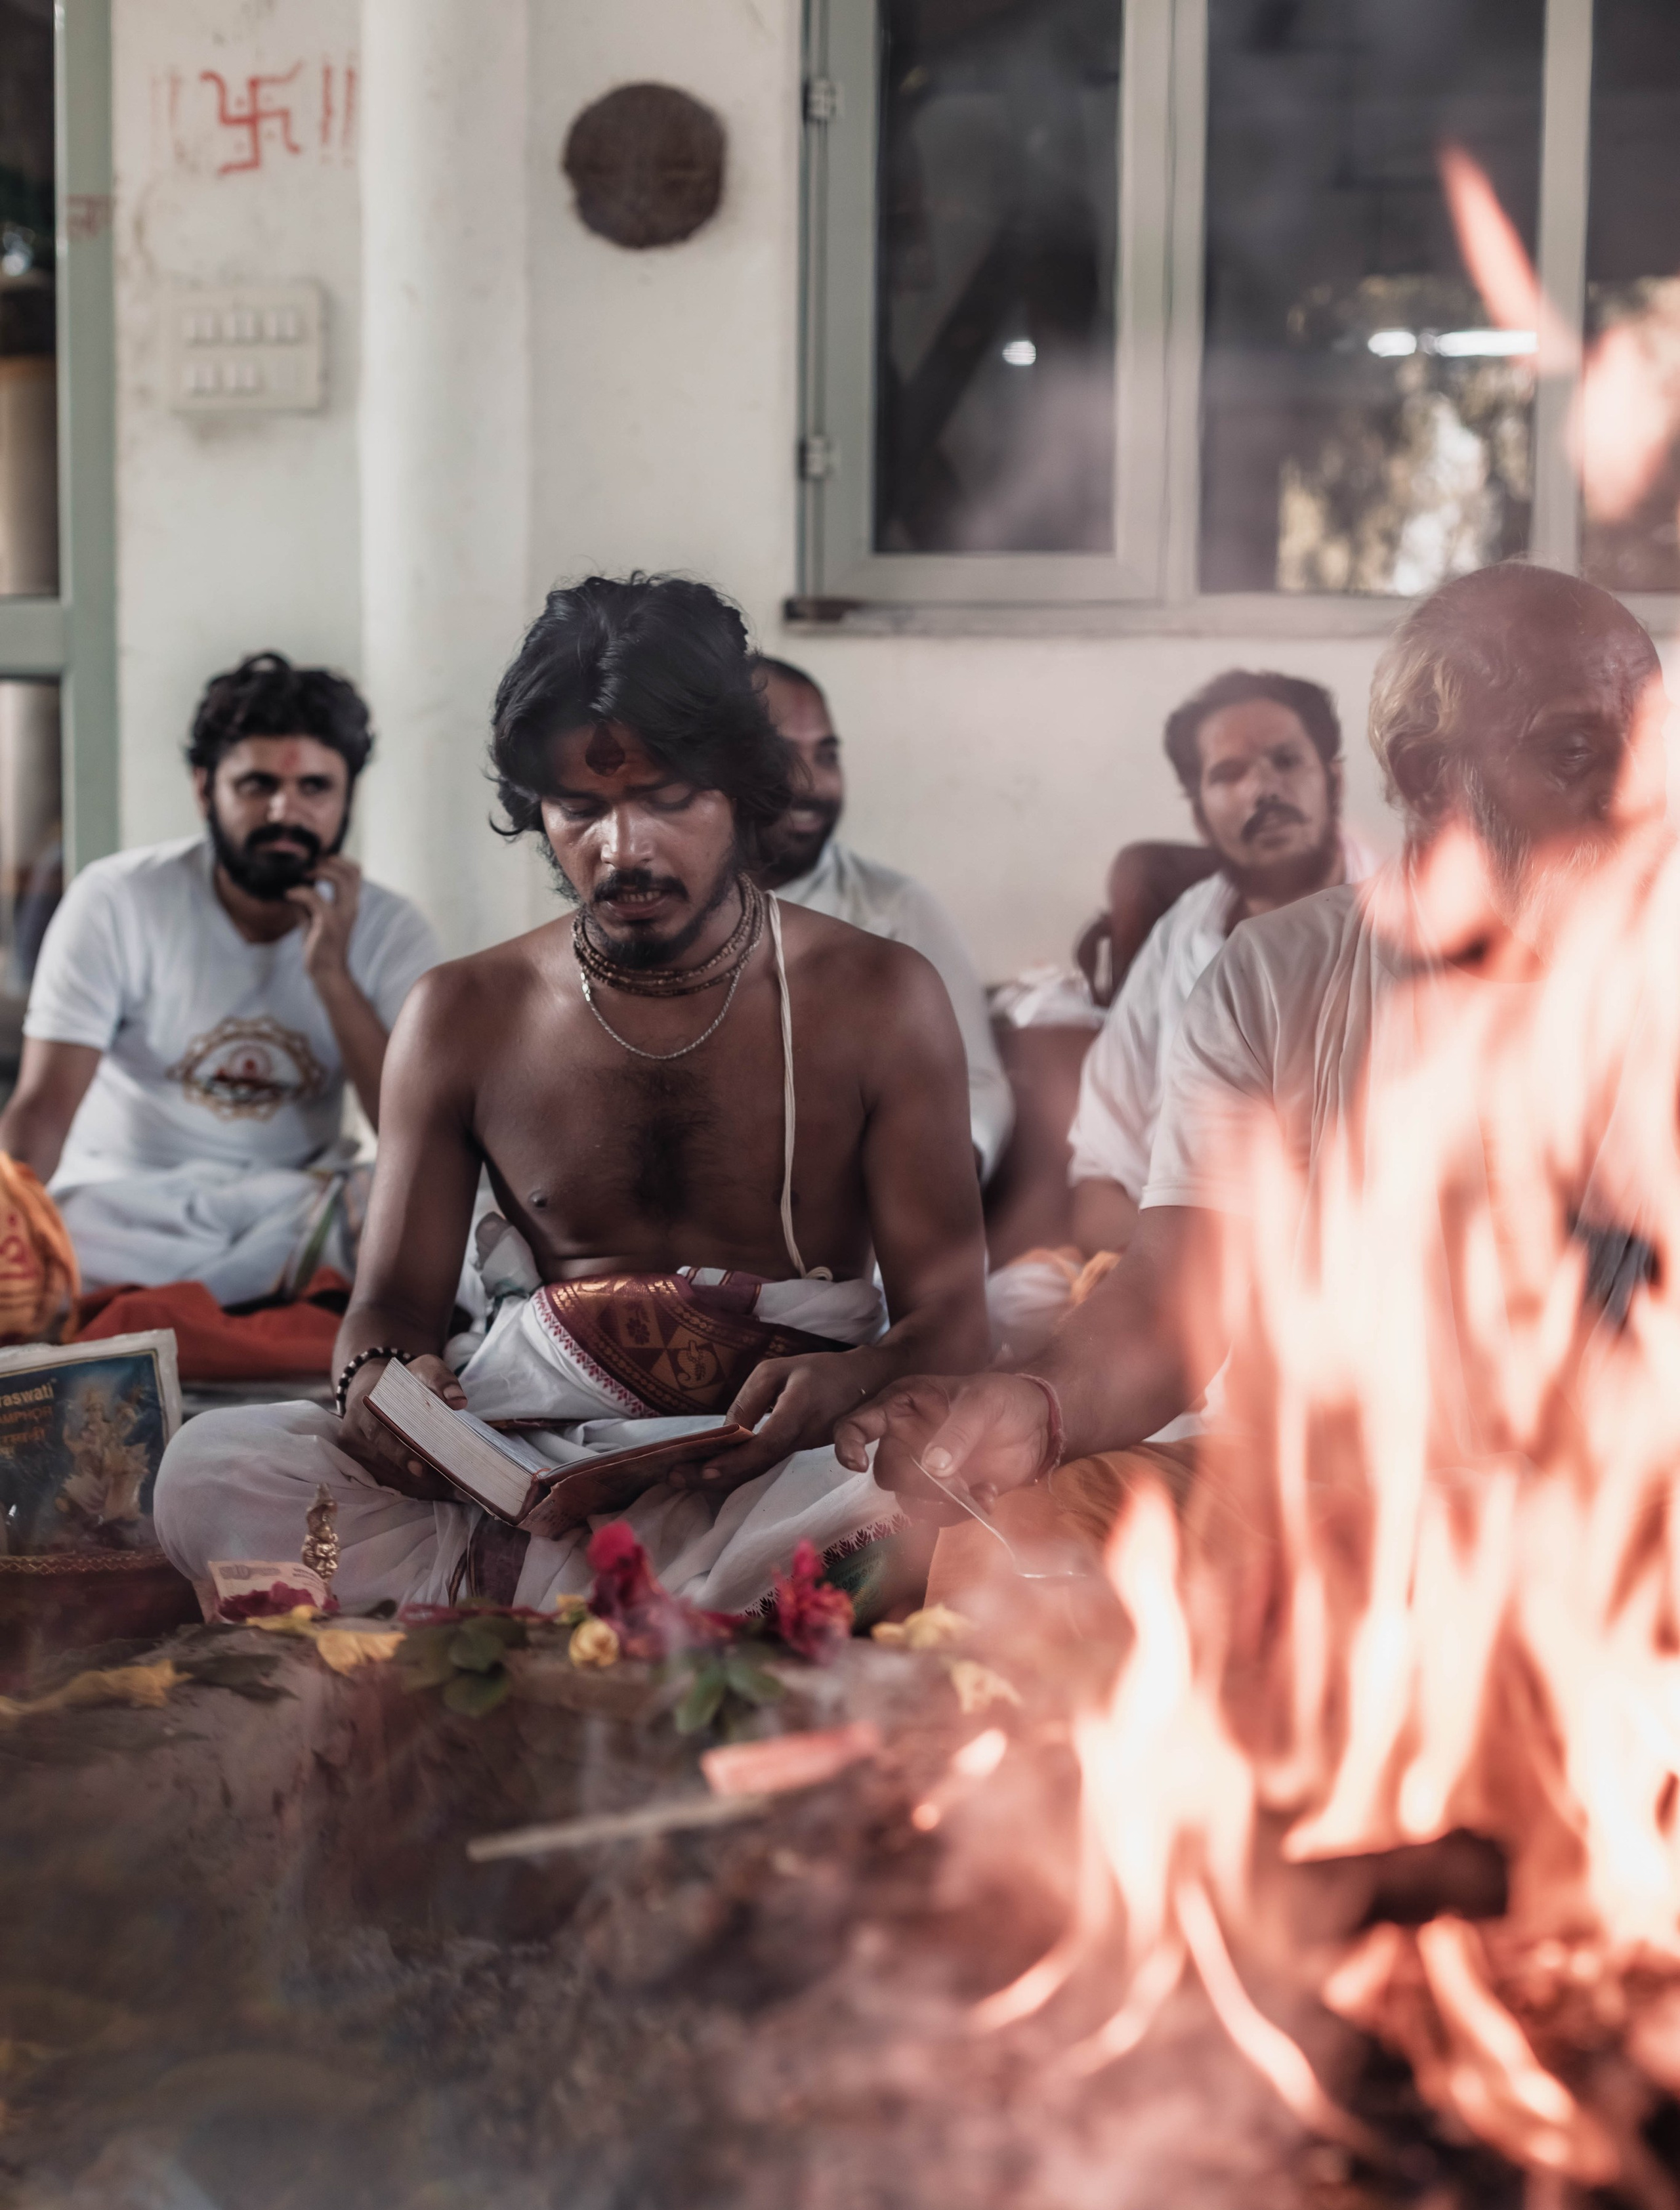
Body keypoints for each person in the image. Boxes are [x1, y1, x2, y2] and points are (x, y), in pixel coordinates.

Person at [155, 576, 989, 1617]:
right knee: (210, 1468)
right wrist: (374, 1384)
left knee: (944, 1496)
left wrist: (853, 1380)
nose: (623, 848)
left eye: (671, 799)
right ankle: (648, 1602)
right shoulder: (463, 1011)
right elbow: (392, 1309)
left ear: (742, 791)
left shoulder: (878, 996)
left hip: (778, 1467)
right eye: (582, 808)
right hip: (530, 1464)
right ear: (535, 810)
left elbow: (954, 1321)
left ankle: (539, 1603)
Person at [835, 564, 1669, 1565]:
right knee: (1016, 1537)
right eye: (1574, 748)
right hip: (1329, 1507)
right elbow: (1177, 1299)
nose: (1635, 790)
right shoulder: (1274, 978)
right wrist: (1034, 1404)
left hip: (1626, 1518)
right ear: (1424, 775)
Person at [0, 652, 439, 1305]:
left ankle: (201, 1307)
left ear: (346, 797)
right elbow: (43, 1108)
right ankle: (259, 1310)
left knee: (444, 1222)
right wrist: (15, 1235)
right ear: (205, 788)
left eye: (315, 788)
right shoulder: (118, 900)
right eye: (257, 785)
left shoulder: (389, 926)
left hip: (294, 1207)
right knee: (51, 1234)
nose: (284, 812)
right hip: (130, 1207)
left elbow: (412, 1133)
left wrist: (331, 975)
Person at [1067, 669, 1379, 1262]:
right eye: (1229, 773)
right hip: (1164, 1272)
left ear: (1333, 782)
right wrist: (1168, 1281)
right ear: (1200, 815)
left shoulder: (1410, 931)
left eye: (1286, 761)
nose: (1263, 789)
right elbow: (1098, 1185)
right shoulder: (1180, 935)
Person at [755, 657, 1013, 1181]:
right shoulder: (665, 916)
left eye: (826, 756)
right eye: (782, 756)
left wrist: (925, 1192)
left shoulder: (894, 911)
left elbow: (976, 1088)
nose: (815, 784)